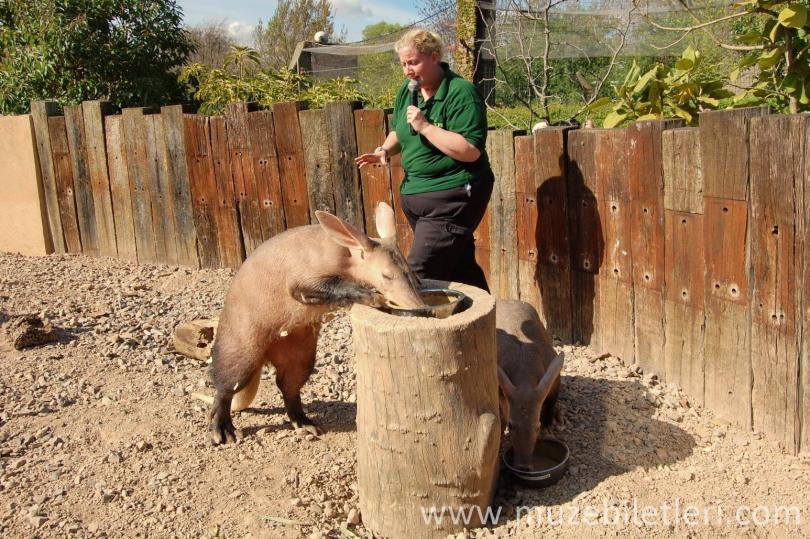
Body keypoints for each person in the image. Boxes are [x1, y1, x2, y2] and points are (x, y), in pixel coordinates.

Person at [355, 28, 494, 292]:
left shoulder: (460, 93)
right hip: (418, 196)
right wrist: (384, 150)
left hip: (452, 197)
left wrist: (426, 126)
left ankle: (406, 329)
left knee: (418, 273)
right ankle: (485, 322)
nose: (408, 70)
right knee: (458, 266)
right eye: (403, 64)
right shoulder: (407, 91)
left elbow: (470, 150)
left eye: (413, 62)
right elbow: (399, 128)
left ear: (434, 57)